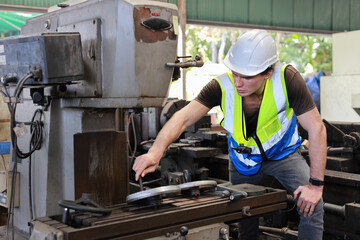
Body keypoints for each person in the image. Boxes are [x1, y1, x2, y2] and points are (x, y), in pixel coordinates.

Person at [133, 29, 326, 240]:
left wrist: (315, 186)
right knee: (245, 214)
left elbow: (316, 128)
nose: (238, 82)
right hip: (244, 161)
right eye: (235, 73)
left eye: (247, 76)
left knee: (312, 205)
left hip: (284, 155)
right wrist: (155, 152)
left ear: (267, 73)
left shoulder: (287, 80)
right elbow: (183, 117)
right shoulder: (222, 86)